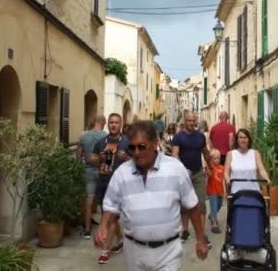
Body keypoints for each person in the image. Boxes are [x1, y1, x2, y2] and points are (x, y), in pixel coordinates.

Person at [95, 121, 208, 270]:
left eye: (141, 147)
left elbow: (192, 205)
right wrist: (103, 225)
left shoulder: (175, 169)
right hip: (134, 252)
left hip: (168, 252)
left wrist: (200, 239)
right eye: (132, 147)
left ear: (155, 144)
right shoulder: (122, 173)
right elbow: (111, 206)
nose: (136, 152)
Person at [91, 113, 130, 264]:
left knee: (111, 216)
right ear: (108, 124)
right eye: (111, 122)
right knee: (107, 215)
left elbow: (137, 160)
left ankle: (105, 249)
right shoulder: (101, 142)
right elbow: (91, 158)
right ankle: (120, 239)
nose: (114, 125)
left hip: (120, 185)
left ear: (120, 125)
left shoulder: (127, 142)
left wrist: (125, 157)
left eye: (116, 123)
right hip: (103, 182)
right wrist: (99, 158)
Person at [172, 112, 212, 247]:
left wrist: (211, 166)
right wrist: (182, 170)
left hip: (198, 173)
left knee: (201, 203)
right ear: (185, 121)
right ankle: (185, 230)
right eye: (189, 120)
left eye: (193, 121)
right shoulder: (178, 137)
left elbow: (205, 152)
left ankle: (202, 234)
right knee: (185, 205)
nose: (191, 123)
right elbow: (175, 154)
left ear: (195, 122)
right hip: (184, 175)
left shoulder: (200, 137)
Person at [76, 115, 107, 239]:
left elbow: (78, 157)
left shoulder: (83, 136)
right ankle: (104, 229)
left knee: (89, 201)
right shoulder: (105, 137)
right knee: (105, 201)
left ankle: (87, 230)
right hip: (102, 170)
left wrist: (79, 170)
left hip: (88, 170)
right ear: (103, 123)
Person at [224, 128, 271, 194]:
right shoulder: (231, 154)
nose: (243, 140)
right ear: (237, 140)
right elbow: (226, 171)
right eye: (240, 137)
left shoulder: (255, 153)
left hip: (253, 192)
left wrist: (267, 179)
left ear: (249, 139)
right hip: (236, 192)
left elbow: (261, 169)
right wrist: (227, 180)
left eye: (245, 137)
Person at [206, 149, 225, 234]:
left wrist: (225, 190)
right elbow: (207, 176)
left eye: (218, 158)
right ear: (211, 159)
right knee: (213, 207)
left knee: (219, 204)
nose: (217, 160)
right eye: (215, 158)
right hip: (212, 190)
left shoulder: (222, 167)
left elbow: (223, 180)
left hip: (220, 190)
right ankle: (214, 224)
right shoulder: (210, 168)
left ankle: (211, 216)